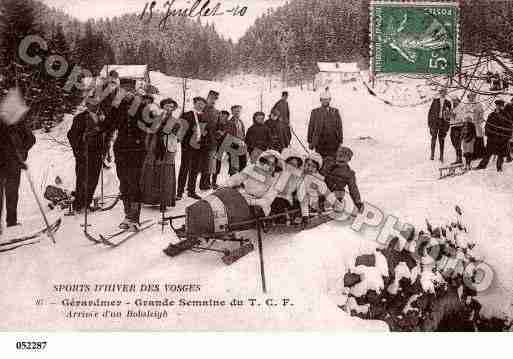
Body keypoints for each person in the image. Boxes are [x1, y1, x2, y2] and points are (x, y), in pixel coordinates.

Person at [107, 90, 152, 231]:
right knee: (124, 182)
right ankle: (127, 216)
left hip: (136, 151)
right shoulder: (118, 108)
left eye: (132, 94)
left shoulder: (143, 110)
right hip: (120, 149)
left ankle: (134, 218)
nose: (128, 95)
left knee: (134, 183)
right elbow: (109, 125)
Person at [67, 98, 109, 213]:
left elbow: (106, 136)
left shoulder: (102, 118)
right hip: (84, 153)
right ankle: (79, 205)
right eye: (91, 104)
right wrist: (78, 150)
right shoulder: (80, 118)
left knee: (93, 179)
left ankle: (87, 203)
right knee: (82, 179)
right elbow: (72, 135)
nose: (95, 106)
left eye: (96, 104)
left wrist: (105, 150)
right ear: (87, 105)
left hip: (97, 153)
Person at [141, 98, 179, 210]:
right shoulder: (155, 118)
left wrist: (171, 133)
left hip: (168, 148)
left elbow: (178, 136)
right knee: (152, 171)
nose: (169, 108)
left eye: (171, 107)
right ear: (162, 107)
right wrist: (147, 145)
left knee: (166, 174)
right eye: (167, 106)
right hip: (154, 147)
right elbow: (149, 132)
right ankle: (151, 199)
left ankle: (164, 201)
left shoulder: (175, 121)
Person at [224, 149, 285, 217]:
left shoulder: (276, 179)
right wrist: (225, 187)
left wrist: (253, 203)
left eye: (272, 164)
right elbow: (236, 179)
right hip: (243, 197)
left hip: (258, 205)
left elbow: (268, 199)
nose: (269, 166)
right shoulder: (252, 168)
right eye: (267, 162)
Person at [0, 117, 35, 229]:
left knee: (12, 193)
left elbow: (31, 139)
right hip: (11, 163)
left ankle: (11, 221)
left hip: (13, 163)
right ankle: (11, 221)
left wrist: (21, 151)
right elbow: (30, 139)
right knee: (12, 193)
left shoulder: (18, 123)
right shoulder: (17, 122)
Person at [298, 152, 342, 227]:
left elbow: (326, 192)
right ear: (304, 164)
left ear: (316, 169)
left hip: (309, 200)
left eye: (313, 167)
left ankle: (307, 215)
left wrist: (336, 204)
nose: (309, 168)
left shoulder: (316, 179)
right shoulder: (300, 173)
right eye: (308, 165)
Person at [176, 97, 207, 200]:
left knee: (195, 169)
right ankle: (179, 192)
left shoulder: (203, 117)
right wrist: (184, 144)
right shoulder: (187, 115)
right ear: (194, 103)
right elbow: (181, 130)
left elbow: (204, 132)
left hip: (199, 146)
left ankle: (191, 191)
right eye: (199, 103)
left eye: (203, 104)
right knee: (185, 168)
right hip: (188, 146)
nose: (201, 105)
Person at [321, 145, 364, 213]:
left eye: (344, 157)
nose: (341, 158)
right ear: (336, 156)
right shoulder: (328, 163)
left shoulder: (349, 173)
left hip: (337, 192)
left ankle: (332, 205)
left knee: (333, 195)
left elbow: (353, 188)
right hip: (324, 188)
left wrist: (358, 202)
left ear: (348, 159)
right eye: (339, 155)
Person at [476, 99, 513, 172]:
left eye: (500, 106)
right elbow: (487, 126)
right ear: (496, 106)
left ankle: (499, 168)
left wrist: (506, 137)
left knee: (501, 155)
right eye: (497, 106)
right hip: (492, 139)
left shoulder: (506, 116)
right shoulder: (492, 115)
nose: (499, 107)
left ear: (503, 106)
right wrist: (488, 134)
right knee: (487, 153)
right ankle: (482, 165)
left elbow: (509, 127)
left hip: (502, 139)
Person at [269, 148, 304, 224]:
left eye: (295, 165)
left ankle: (288, 218)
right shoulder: (278, 173)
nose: (292, 167)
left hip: (287, 202)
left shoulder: (297, 178)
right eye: (290, 164)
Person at [307, 89, 343, 161]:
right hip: (320, 143)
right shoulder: (315, 112)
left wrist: (340, 140)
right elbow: (311, 127)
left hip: (333, 142)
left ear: (330, 100)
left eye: (327, 99)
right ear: (320, 100)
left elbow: (339, 127)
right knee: (320, 161)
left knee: (332, 161)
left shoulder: (335, 111)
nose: (325, 101)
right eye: (323, 100)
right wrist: (310, 141)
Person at [199, 90, 220, 190]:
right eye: (211, 98)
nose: (213, 101)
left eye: (215, 99)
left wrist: (218, 134)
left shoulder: (217, 112)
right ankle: (201, 184)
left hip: (212, 141)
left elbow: (219, 126)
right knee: (201, 163)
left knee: (210, 163)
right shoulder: (201, 109)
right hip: (201, 141)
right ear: (207, 97)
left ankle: (206, 183)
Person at [427, 88, 452, 162]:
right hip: (435, 122)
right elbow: (430, 113)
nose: (443, 94)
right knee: (433, 138)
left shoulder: (448, 102)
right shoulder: (435, 101)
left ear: (446, 93)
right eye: (441, 92)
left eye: (444, 92)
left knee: (441, 139)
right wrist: (430, 124)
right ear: (440, 93)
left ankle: (441, 156)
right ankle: (432, 154)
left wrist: (447, 126)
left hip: (443, 122)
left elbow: (449, 116)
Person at [225, 105, 248, 176]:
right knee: (234, 165)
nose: (237, 113)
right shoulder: (229, 122)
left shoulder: (241, 122)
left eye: (239, 111)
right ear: (232, 112)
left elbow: (243, 134)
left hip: (241, 145)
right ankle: (233, 182)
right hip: (233, 146)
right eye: (236, 111)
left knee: (243, 164)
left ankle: (240, 181)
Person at [212, 110, 231, 190]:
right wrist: (218, 134)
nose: (224, 118)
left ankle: (214, 182)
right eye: (223, 116)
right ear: (220, 116)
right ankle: (211, 182)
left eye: (226, 117)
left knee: (218, 165)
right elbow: (212, 135)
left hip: (223, 147)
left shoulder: (227, 125)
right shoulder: (215, 124)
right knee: (214, 165)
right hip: (215, 147)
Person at [466, 92, 485, 160]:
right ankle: (471, 154)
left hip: (476, 125)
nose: (471, 98)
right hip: (468, 125)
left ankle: (479, 154)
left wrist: (479, 120)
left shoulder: (478, 105)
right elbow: (464, 114)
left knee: (478, 139)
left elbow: (481, 114)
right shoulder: (466, 105)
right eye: (470, 96)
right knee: (470, 140)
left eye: (473, 96)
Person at [449, 97, 465, 165]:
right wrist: (449, 114)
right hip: (453, 126)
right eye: (453, 101)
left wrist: (453, 115)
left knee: (457, 143)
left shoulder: (461, 107)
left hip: (458, 126)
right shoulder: (453, 108)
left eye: (455, 101)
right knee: (454, 143)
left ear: (458, 101)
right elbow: (450, 118)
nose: (454, 102)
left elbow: (461, 117)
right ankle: (458, 158)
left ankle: (459, 159)